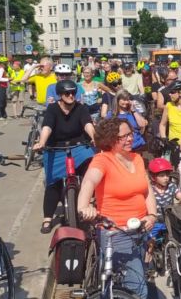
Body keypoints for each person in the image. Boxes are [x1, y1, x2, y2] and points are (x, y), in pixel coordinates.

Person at [77, 118, 157, 298]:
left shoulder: (137, 159)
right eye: (124, 136)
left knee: (135, 277)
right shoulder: (103, 160)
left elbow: (147, 190)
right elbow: (89, 181)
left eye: (131, 134)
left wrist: (152, 215)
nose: (130, 139)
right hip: (116, 232)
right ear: (110, 139)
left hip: (141, 229)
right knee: (137, 290)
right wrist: (85, 206)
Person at [32, 80, 97, 233]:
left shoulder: (81, 108)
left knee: (91, 167)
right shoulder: (53, 109)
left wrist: (94, 136)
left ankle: (89, 201)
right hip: (56, 147)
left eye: (73, 93)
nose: (71, 96)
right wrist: (41, 142)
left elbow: (87, 123)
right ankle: (47, 217)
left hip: (79, 146)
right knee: (52, 182)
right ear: (60, 95)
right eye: (67, 93)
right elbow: (47, 126)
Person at [147, 157, 181, 241]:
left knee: (178, 237)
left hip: (169, 220)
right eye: (162, 176)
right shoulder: (150, 189)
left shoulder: (171, 186)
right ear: (153, 177)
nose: (166, 178)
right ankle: (150, 252)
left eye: (167, 175)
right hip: (155, 221)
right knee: (150, 241)